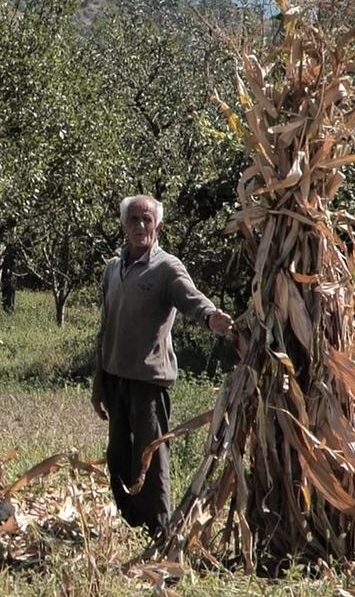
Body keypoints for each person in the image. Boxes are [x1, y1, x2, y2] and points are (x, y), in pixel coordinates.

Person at [90, 195, 233, 539]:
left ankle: (159, 528)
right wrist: (99, 381)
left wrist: (210, 317)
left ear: (159, 226)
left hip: (148, 381)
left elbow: (191, 298)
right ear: (123, 225)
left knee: (150, 458)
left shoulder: (166, 268)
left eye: (147, 220)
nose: (141, 226)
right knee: (118, 456)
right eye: (134, 220)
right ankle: (132, 523)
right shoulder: (113, 268)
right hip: (115, 378)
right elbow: (106, 326)